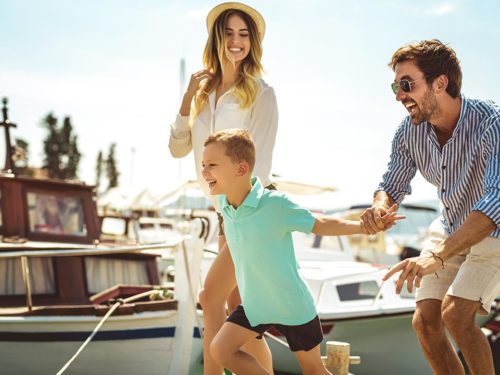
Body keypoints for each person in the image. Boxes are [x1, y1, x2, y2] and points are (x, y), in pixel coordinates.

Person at [202, 129, 403, 375]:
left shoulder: (275, 204)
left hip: (292, 305)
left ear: (241, 169)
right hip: (256, 305)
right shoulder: (224, 206)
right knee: (220, 350)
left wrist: (364, 227)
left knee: (314, 370)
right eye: (203, 165)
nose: (204, 172)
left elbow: (321, 224)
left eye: (211, 165)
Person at [360, 39, 500, 375]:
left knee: (456, 314)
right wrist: (380, 207)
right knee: (425, 322)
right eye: (396, 85)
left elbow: (495, 202)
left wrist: (435, 256)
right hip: (452, 223)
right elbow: (391, 184)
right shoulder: (409, 132)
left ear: (441, 83)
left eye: (407, 84)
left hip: (493, 231)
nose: (398, 95)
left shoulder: (491, 124)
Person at [168, 2, 278, 373]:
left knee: (213, 299)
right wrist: (186, 100)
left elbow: (259, 166)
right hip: (224, 214)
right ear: (217, 38)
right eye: (229, 33)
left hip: (248, 213)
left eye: (244, 35)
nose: (236, 41)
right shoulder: (201, 93)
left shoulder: (262, 93)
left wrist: (241, 219)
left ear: (252, 42)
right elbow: (177, 148)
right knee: (239, 314)